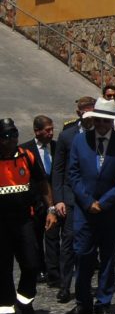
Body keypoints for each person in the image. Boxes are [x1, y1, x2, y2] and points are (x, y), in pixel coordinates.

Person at [65, 98, 115, 314]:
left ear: (112, 122)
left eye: (106, 120)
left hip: (111, 211)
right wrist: (88, 202)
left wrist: (104, 202)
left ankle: (103, 303)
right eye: (98, 120)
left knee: (107, 259)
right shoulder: (79, 141)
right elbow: (73, 174)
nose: (101, 124)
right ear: (92, 120)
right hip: (85, 212)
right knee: (83, 256)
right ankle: (83, 302)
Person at [0, 118, 55, 314]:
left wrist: (51, 209)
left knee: (32, 265)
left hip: (25, 221)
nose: (11, 140)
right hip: (1, 225)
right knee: (2, 270)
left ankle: (25, 300)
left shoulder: (27, 156)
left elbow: (42, 184)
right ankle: (6, 312)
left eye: (13, 135)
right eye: (6, 136)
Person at [51, 96, 95, 304]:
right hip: (70, 196)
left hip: (92, 195)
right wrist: (57, 199)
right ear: (78, 113)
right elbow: (58, 170)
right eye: (85, 111)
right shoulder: (67, 136)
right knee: (68, 241)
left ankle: (84, 284)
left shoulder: (101, 133)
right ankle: (65, 285)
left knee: (89, 244)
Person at [19, 115, 56, 286]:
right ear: (37, 131)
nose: (51, 133)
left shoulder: (56, 147)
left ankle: (54, 269)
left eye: (52, 129)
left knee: (53, 235)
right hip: (35, 200)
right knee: (35, 237)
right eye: (47, 130)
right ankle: (39, 268)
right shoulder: (25, 150)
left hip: (54, 197)